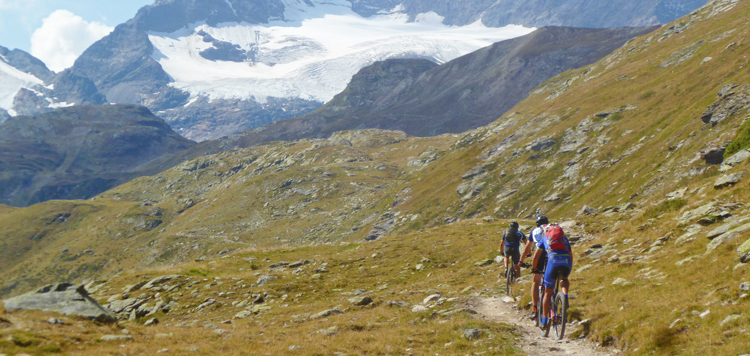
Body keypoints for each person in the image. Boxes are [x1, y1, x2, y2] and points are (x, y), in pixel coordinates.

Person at [532, 221, 573, 330]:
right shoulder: (565, 239)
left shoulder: (544, 238)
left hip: (552, 262)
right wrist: (569, 267)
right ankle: (565, 296)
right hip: (566, 261)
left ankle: (545, 320)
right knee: (564, 278)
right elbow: (570, 255)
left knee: (548, 292)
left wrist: (534, 268)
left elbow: (536, 256)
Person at [521, 215, 548, 320]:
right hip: (551, 255)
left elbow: (526, 249)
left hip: (539, 256)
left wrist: (521, 261)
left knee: (535, 282)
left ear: (537, 224)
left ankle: (535, 309)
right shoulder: (550, 229)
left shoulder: (534, 231)